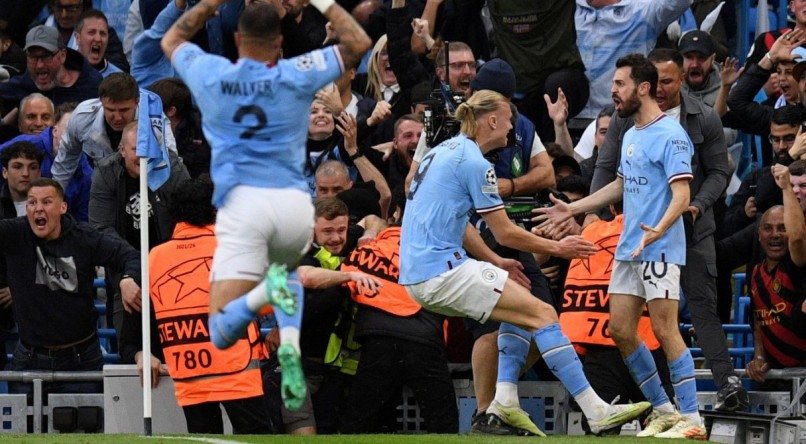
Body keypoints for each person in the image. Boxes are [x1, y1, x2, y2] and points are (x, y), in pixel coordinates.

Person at [401, 89, 650, 435]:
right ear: (491, 120)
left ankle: (504, 402)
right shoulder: (473, 162)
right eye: (508, 121)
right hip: (440, 271)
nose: (511, 130)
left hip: (425, 271)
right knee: (544, 315)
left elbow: (460, 228)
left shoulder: (444, 152)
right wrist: (560, 247)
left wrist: (496, 262)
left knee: (520, 311)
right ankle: (596, 411)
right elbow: (505, 233)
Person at [161, 0, 371, 412]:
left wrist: (207, 6)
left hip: (243, 204)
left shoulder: (212, 73)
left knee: (221, 329)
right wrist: (321, 1)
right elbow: (359, 41)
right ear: (278, 43)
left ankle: (263, 299)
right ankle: (289, 341)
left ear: (237, 40)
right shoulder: (295, 73)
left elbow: (171, 38)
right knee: (288, 272)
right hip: (294, 203)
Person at [537, 54, 705, 438]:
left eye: (620, 84)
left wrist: (658, 229)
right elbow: (620, 186)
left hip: (659, 246)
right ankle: (663, 409)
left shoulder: (671, 135)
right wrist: (574, 207)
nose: (613, 91)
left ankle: (692, 419)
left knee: (664, 329)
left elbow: (682, 193)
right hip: (630, 247)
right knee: (621, 329)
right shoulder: (630, 134)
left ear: (643, 88)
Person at [589, 48, 747, 413]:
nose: (660, 88)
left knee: (692, 312)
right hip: (637, 237)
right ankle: (664, 409)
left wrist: (695, 207)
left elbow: (718, 173)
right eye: (656, 80)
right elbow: (611, 171)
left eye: (667, 81)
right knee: (621, 329)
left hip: (686, 228)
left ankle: (709, 396)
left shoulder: (697, 120)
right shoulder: (627, 124)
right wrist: (584, 211)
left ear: (677, 83)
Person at [147, 177, 273, 434]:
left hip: (189, 368)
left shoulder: (154, 256)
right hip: (236, 368)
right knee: (257, 438)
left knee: (205, 438)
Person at [0, 178, 140, 398]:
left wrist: (128, 279)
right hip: (29, 356)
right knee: (23, 432)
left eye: (46, 202)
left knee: (85, 430)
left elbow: (131, 256)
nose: (38, 208)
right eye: (32, 203)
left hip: (81, 358)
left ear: (63, 207)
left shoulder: (84, 238)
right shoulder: (13, 233)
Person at [89, 121, 189, 333]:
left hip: (172, 275)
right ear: (122, 150)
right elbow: (101, 229)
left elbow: (189, 221)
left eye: (149, 149)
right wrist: (131, 271)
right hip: (124, 275)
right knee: (130, 350)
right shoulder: (106, 173)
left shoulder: (172, 168)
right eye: (136, 149)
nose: (143, 157)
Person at [51, 72, 177, 187]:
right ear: (101, 102)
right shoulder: (82, 118)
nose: (117, 117)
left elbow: (173, 164)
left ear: (137, 102)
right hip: (105, 186)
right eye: (110, 110)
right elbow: (65, 163)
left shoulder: (155, 119)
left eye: (124, 110)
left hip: (146, 185)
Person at [744, 205, 806, 386]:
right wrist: (759, 356)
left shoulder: (799, 267)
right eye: (768, 228)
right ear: (759, 235)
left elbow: (798, 242)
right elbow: (758, 318)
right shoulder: (755, 272)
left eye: (783, 228)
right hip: (774, 375)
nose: (775, 235)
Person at [0, 25, 102, 111]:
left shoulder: (92, 85)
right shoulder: (22, 86)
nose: (39, 65)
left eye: (46, 56)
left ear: (62, 56)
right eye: (33, 57)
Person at [74, 9, 124, 77]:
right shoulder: (62, 72)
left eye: (102, 33)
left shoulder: (118, 78)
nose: (98, 39)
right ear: (78, 38)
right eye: (91, 32)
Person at [679, 30, 720, 107]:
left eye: (701, 57)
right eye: (689, 57)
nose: (694, 65)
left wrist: (725, 88)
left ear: (712, 59)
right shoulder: (670, 86)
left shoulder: (727, 88)